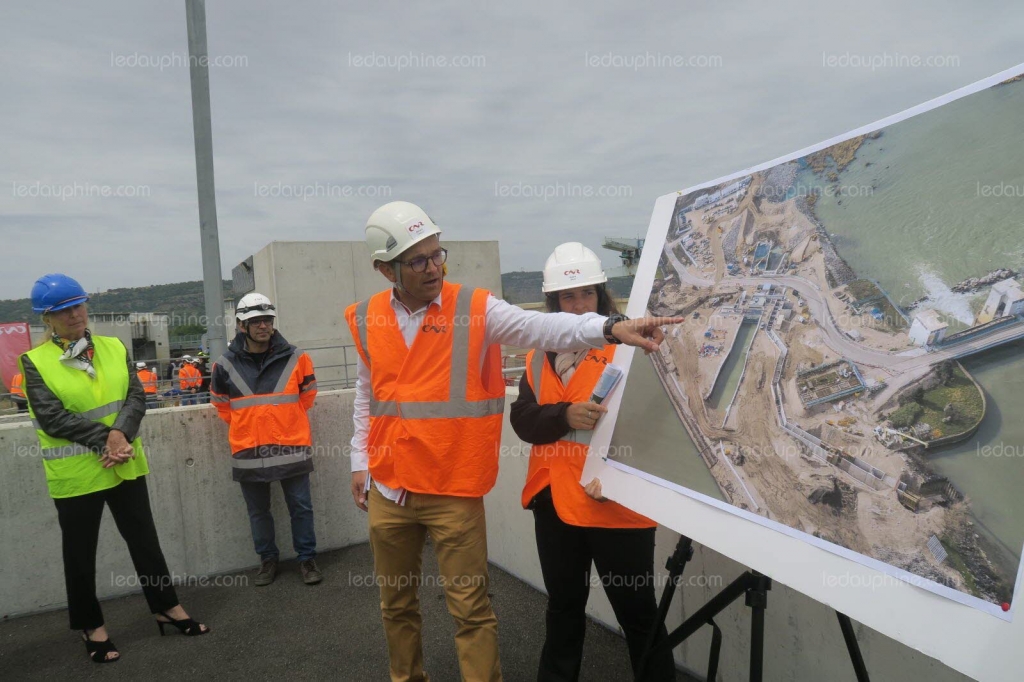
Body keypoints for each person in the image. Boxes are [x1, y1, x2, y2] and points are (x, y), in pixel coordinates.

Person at [345, 201, 682, 682]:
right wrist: (360, 459)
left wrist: (609, 328)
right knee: (399, 606)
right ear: (386, 269)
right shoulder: (368, 319)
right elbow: (367, 394)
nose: (434, 267)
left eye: (438, 254)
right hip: (400, 484)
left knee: (479, 611)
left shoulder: (475, 309)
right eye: (418, 260)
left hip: (483, 489)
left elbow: (537, 328)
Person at [18, 274, 209, 664]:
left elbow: (135, 397)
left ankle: (165, 607)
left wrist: (120, 434)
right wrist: (110, 440)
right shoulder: (34, 362)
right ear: (47, 319)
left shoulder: (112, 347)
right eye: (63, 310)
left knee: (145, 542)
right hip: (78, 475)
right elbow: (53, 418)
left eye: (78, 305)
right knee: (80, 553)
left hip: (123, 464)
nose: (74, 314)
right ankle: (91, 626)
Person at [510, 243, 676, 681]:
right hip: (554, 502)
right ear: (554, 304)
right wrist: (563, 416)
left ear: (602, 297)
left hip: (613, 502)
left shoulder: (630, 348)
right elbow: (523, 419)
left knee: (638, 614)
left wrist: (621, 474)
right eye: (568, 297)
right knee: (563, 608)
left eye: (586, 294)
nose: (578, 305)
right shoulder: (537, 355)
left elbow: (656, 425)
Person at [210, 293, 321, 586]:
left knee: (301, 506)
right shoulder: (224, 364)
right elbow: (221, 405)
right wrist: (251, 426)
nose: (262, 326)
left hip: (292, 445)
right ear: (241, 325)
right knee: (258, 511)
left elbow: (307, 397)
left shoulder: (298, 357)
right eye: (255, 321)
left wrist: (283, 422)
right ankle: (267, 560)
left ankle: (307, 559)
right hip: (249, 448)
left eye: (267, 320)